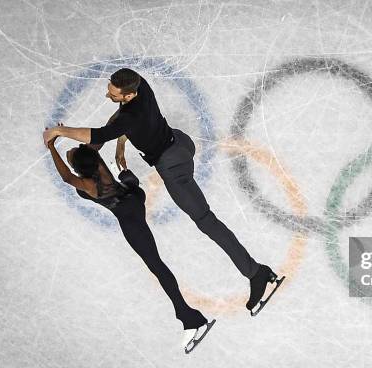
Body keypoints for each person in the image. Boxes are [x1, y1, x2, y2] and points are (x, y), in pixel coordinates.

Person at [43, 68, 283, 315]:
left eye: (113, 94)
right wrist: (123, 141)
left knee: (206, 221)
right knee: (201, 213)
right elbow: (118, 123)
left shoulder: (131, 115)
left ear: (129, 95)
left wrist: (60, 131)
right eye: (109, 89)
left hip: (173, 167)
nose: (108, 95)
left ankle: (257, 273)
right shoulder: (141, 86)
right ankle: (256, 271)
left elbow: (102, 133)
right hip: (180, 142)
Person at [45, 131, 214, 353]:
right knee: (156, 264)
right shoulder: (93, 159)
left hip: (129, 216)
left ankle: (190, 318)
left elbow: (67, 177)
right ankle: (188, 316)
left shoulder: (88, 184)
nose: (71, 151)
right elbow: (96, 140)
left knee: (156, 265)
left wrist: (52, 148)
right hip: (133, 196)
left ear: (78, 169)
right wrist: (61, 134)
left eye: (72, 153)